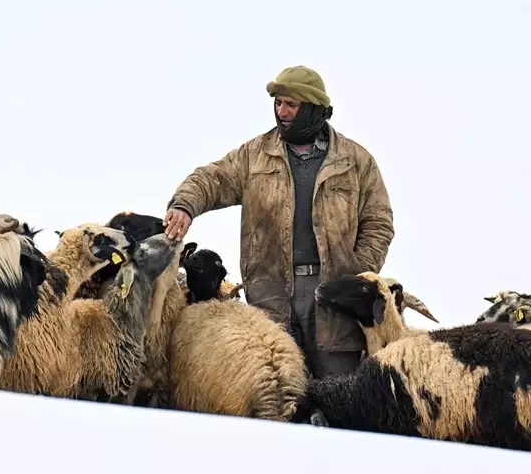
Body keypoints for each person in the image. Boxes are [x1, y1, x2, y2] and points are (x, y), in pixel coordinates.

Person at [162, 64, 394, 380]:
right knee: (274, 390)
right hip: (270, 297)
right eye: (278, 103)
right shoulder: (254, 156)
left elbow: (379, 222)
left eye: (291, 105)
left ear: (314, 110)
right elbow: (211, 179)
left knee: (339, 393)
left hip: (335, 304)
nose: (281, 111)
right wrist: (185, 205)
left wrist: (354, 275)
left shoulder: (355, 161)